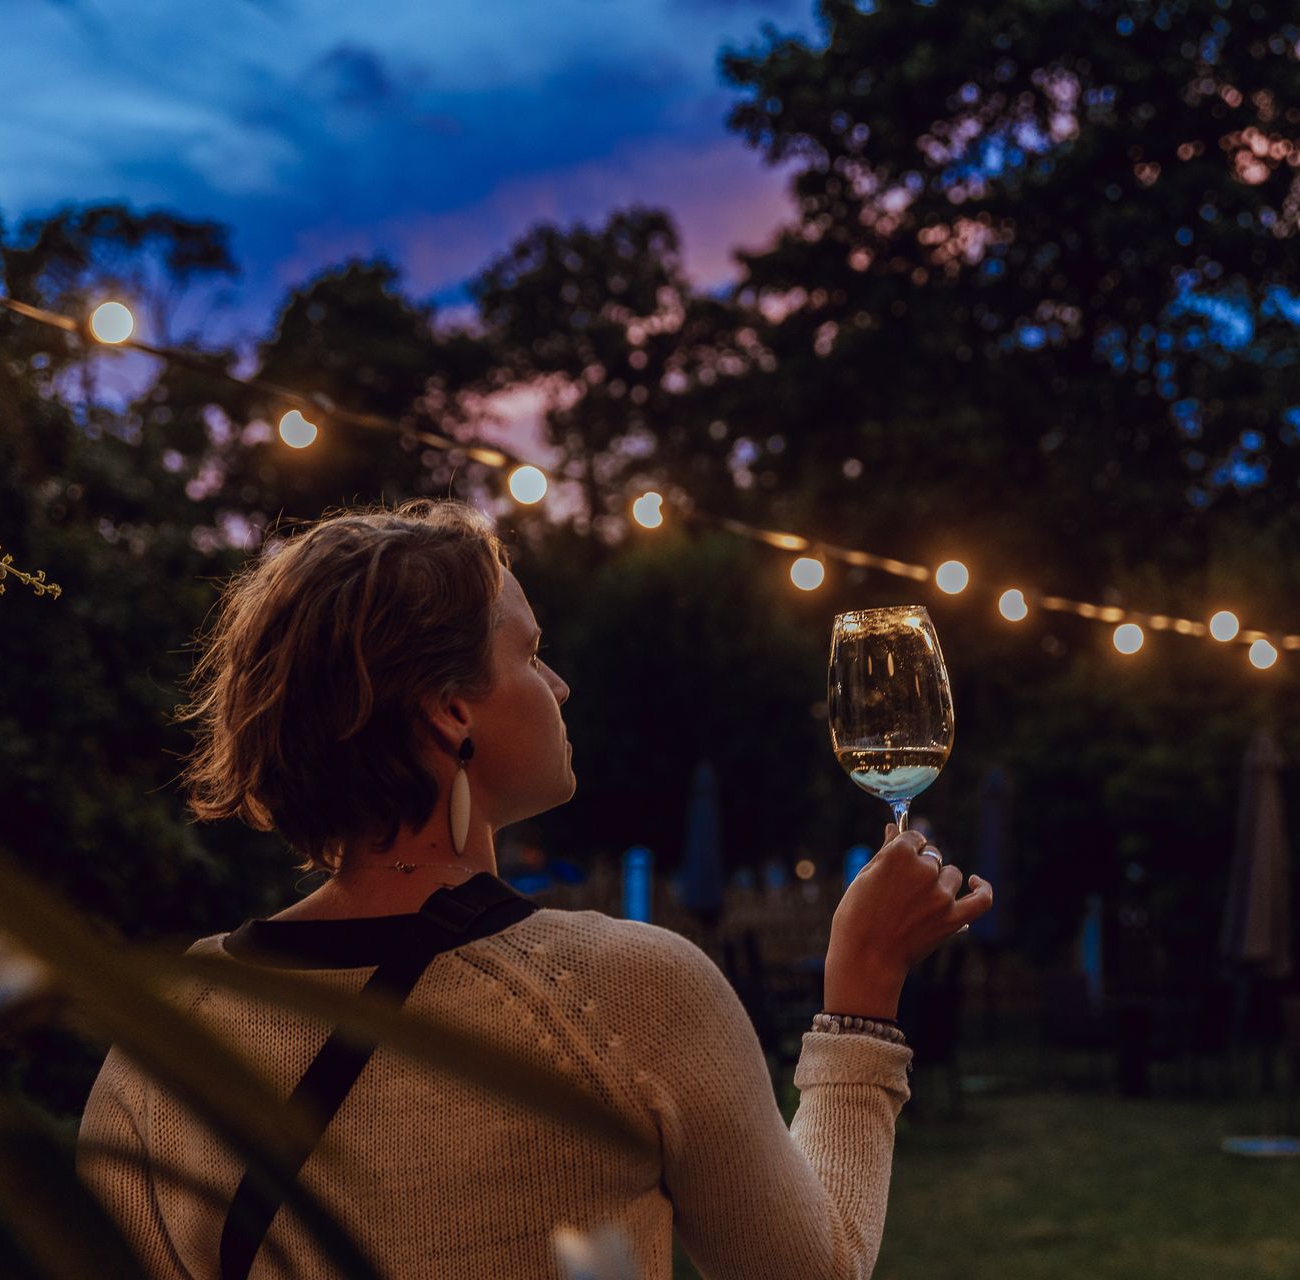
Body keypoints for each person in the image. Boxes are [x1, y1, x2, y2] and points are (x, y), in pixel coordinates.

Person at [76, 498, 992, 1279]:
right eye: (529, 654)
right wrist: (862, 1003)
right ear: (450, 709)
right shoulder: (626, 995)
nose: (560, 684)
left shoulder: (162, 1042)